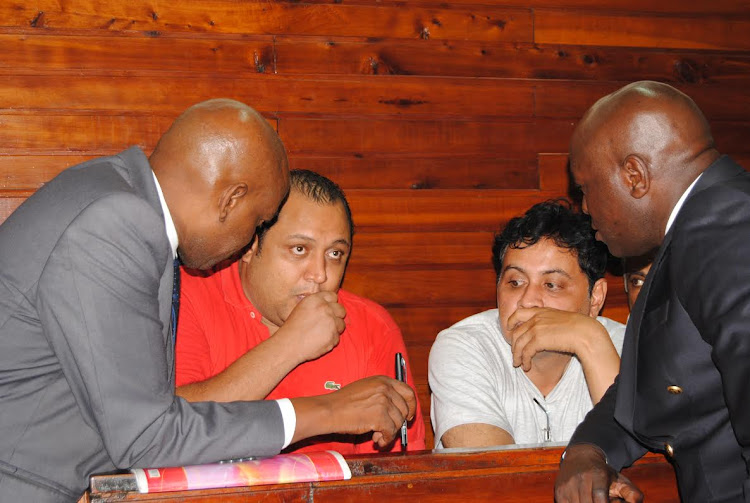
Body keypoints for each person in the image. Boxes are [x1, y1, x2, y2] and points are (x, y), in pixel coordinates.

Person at [0, 99, 415, 502]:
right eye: (257, 221)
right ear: (231, 199)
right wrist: (327, 412)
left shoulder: (112, 191)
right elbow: (149, 436)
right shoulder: (118, 224)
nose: (245, 243)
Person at [556, 81, 750, 503]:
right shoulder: (701, 229)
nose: (585, 208)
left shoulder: (728, 229)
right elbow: (653, 383)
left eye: (586, 188)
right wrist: (588, 449)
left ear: (634, 176)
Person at [175, 169, 426, 453]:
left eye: (335, 254)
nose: (319, 275)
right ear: (248, 245)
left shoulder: (371, 326)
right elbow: (171, 430)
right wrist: (291, 344)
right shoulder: (187, 294)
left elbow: (395, 481)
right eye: (299, 249)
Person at [429, 200, 625, 448]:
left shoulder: (626, 346)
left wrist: (590, 340)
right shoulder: (465, 346)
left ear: (595, 298)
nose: (528, 301)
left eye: (551, 285)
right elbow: (494, 475)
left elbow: (642, 465)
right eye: (515, 282)